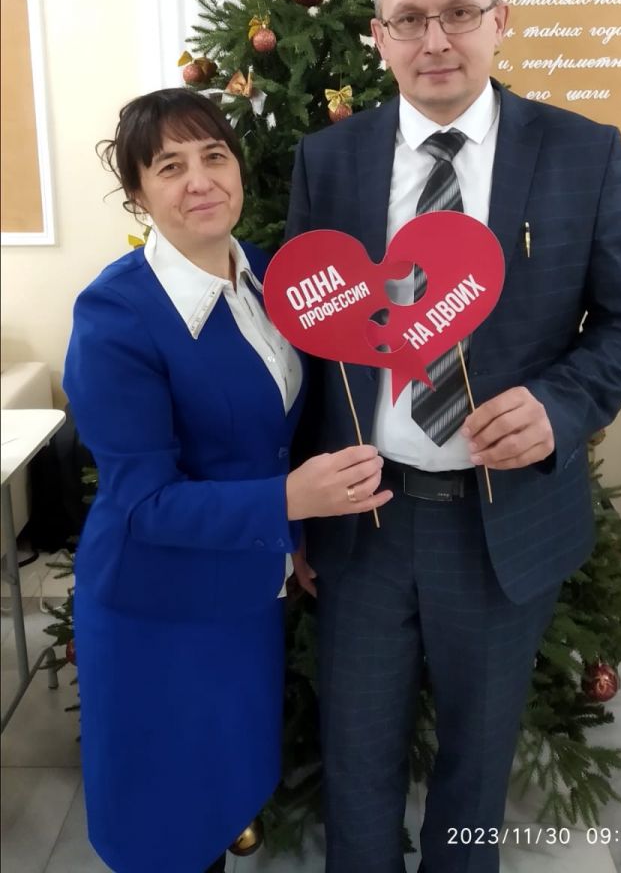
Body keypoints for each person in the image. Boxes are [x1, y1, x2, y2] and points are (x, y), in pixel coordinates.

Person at [286, 0, 621, 873]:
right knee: (356, 763)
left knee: (474, 767)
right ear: (378, 36)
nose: (435, 40)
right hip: (363, 525)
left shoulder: (580, 153)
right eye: (408, 19)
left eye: (458, 12)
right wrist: (289, 515)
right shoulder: (327, 161)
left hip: (503, 531)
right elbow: (303, 347)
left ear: (500, 21)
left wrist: (558, 405)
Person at [63, 89, 392, 873]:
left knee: (224, 787)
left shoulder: (273, 279)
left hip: (245, 593)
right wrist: (289, 502)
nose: (200, 180)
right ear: (137, 195)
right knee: (166, 826)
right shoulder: (115, 316)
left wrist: (293, 535)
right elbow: (141, 502)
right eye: (169, 167)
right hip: (157, 608)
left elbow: (274, 438)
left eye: (214, 155)